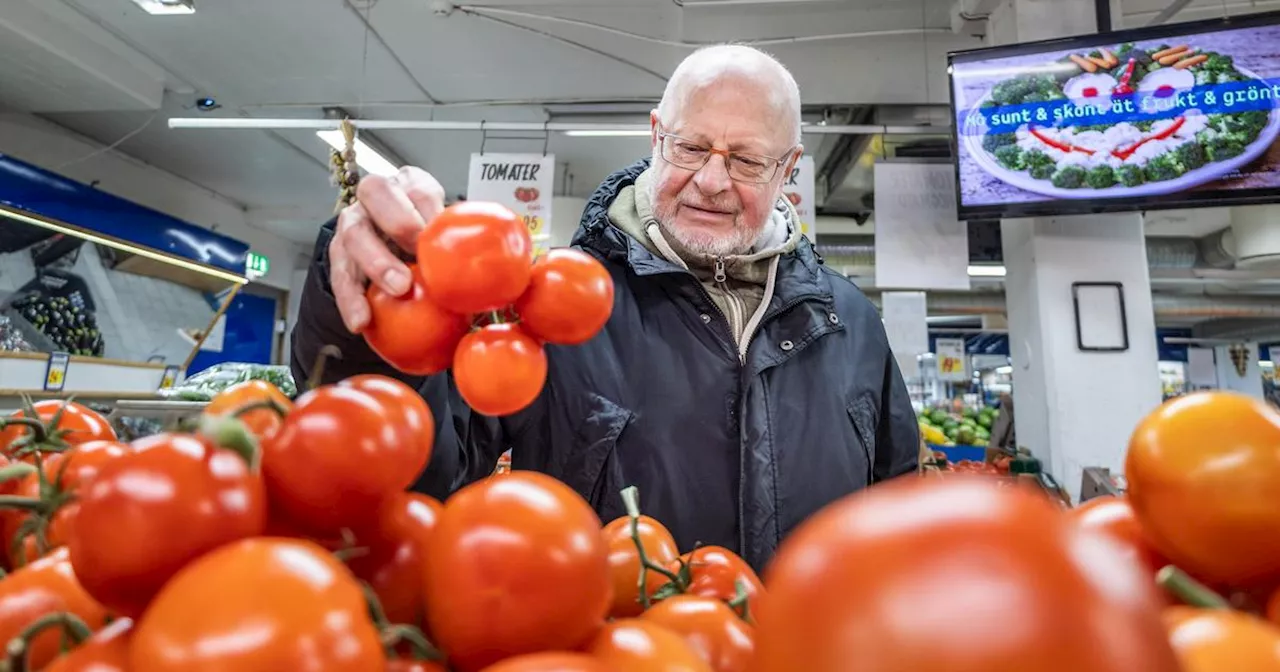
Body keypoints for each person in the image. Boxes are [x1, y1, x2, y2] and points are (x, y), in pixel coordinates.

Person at [291, 44, 919, 571]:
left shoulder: (850, 321)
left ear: (788, 169)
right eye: (690, 147)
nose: (711, 180)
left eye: (748, 160)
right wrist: (378, 302)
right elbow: (416, 471)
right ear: (655, 137)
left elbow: (900, 519)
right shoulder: (549, 303)